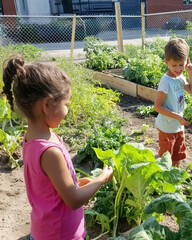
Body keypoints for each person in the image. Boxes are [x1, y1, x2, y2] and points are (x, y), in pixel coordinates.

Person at [2, 55, 113, 240]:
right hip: (61, 234)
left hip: (43, 229)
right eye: (65, 105)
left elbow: (51, 186)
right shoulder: (50, 151)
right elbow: (73, 200)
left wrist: (77, 184)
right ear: (46, 105)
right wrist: (101, 179)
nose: (67, 111)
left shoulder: (32, 138)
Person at [154, 38, 192, 167]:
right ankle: (165, 182)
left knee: (177, 154)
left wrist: (191, 73)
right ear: (166, 62)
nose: (178, 68)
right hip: (167, 127)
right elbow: (157, 107)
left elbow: (191, 90)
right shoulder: (166, 81)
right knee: (166, 158)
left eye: (181, 65)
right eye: (174, 65)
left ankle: (174, 177)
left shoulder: (180, 76)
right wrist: (178, 117)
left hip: (178, 125)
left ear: (186, 61)